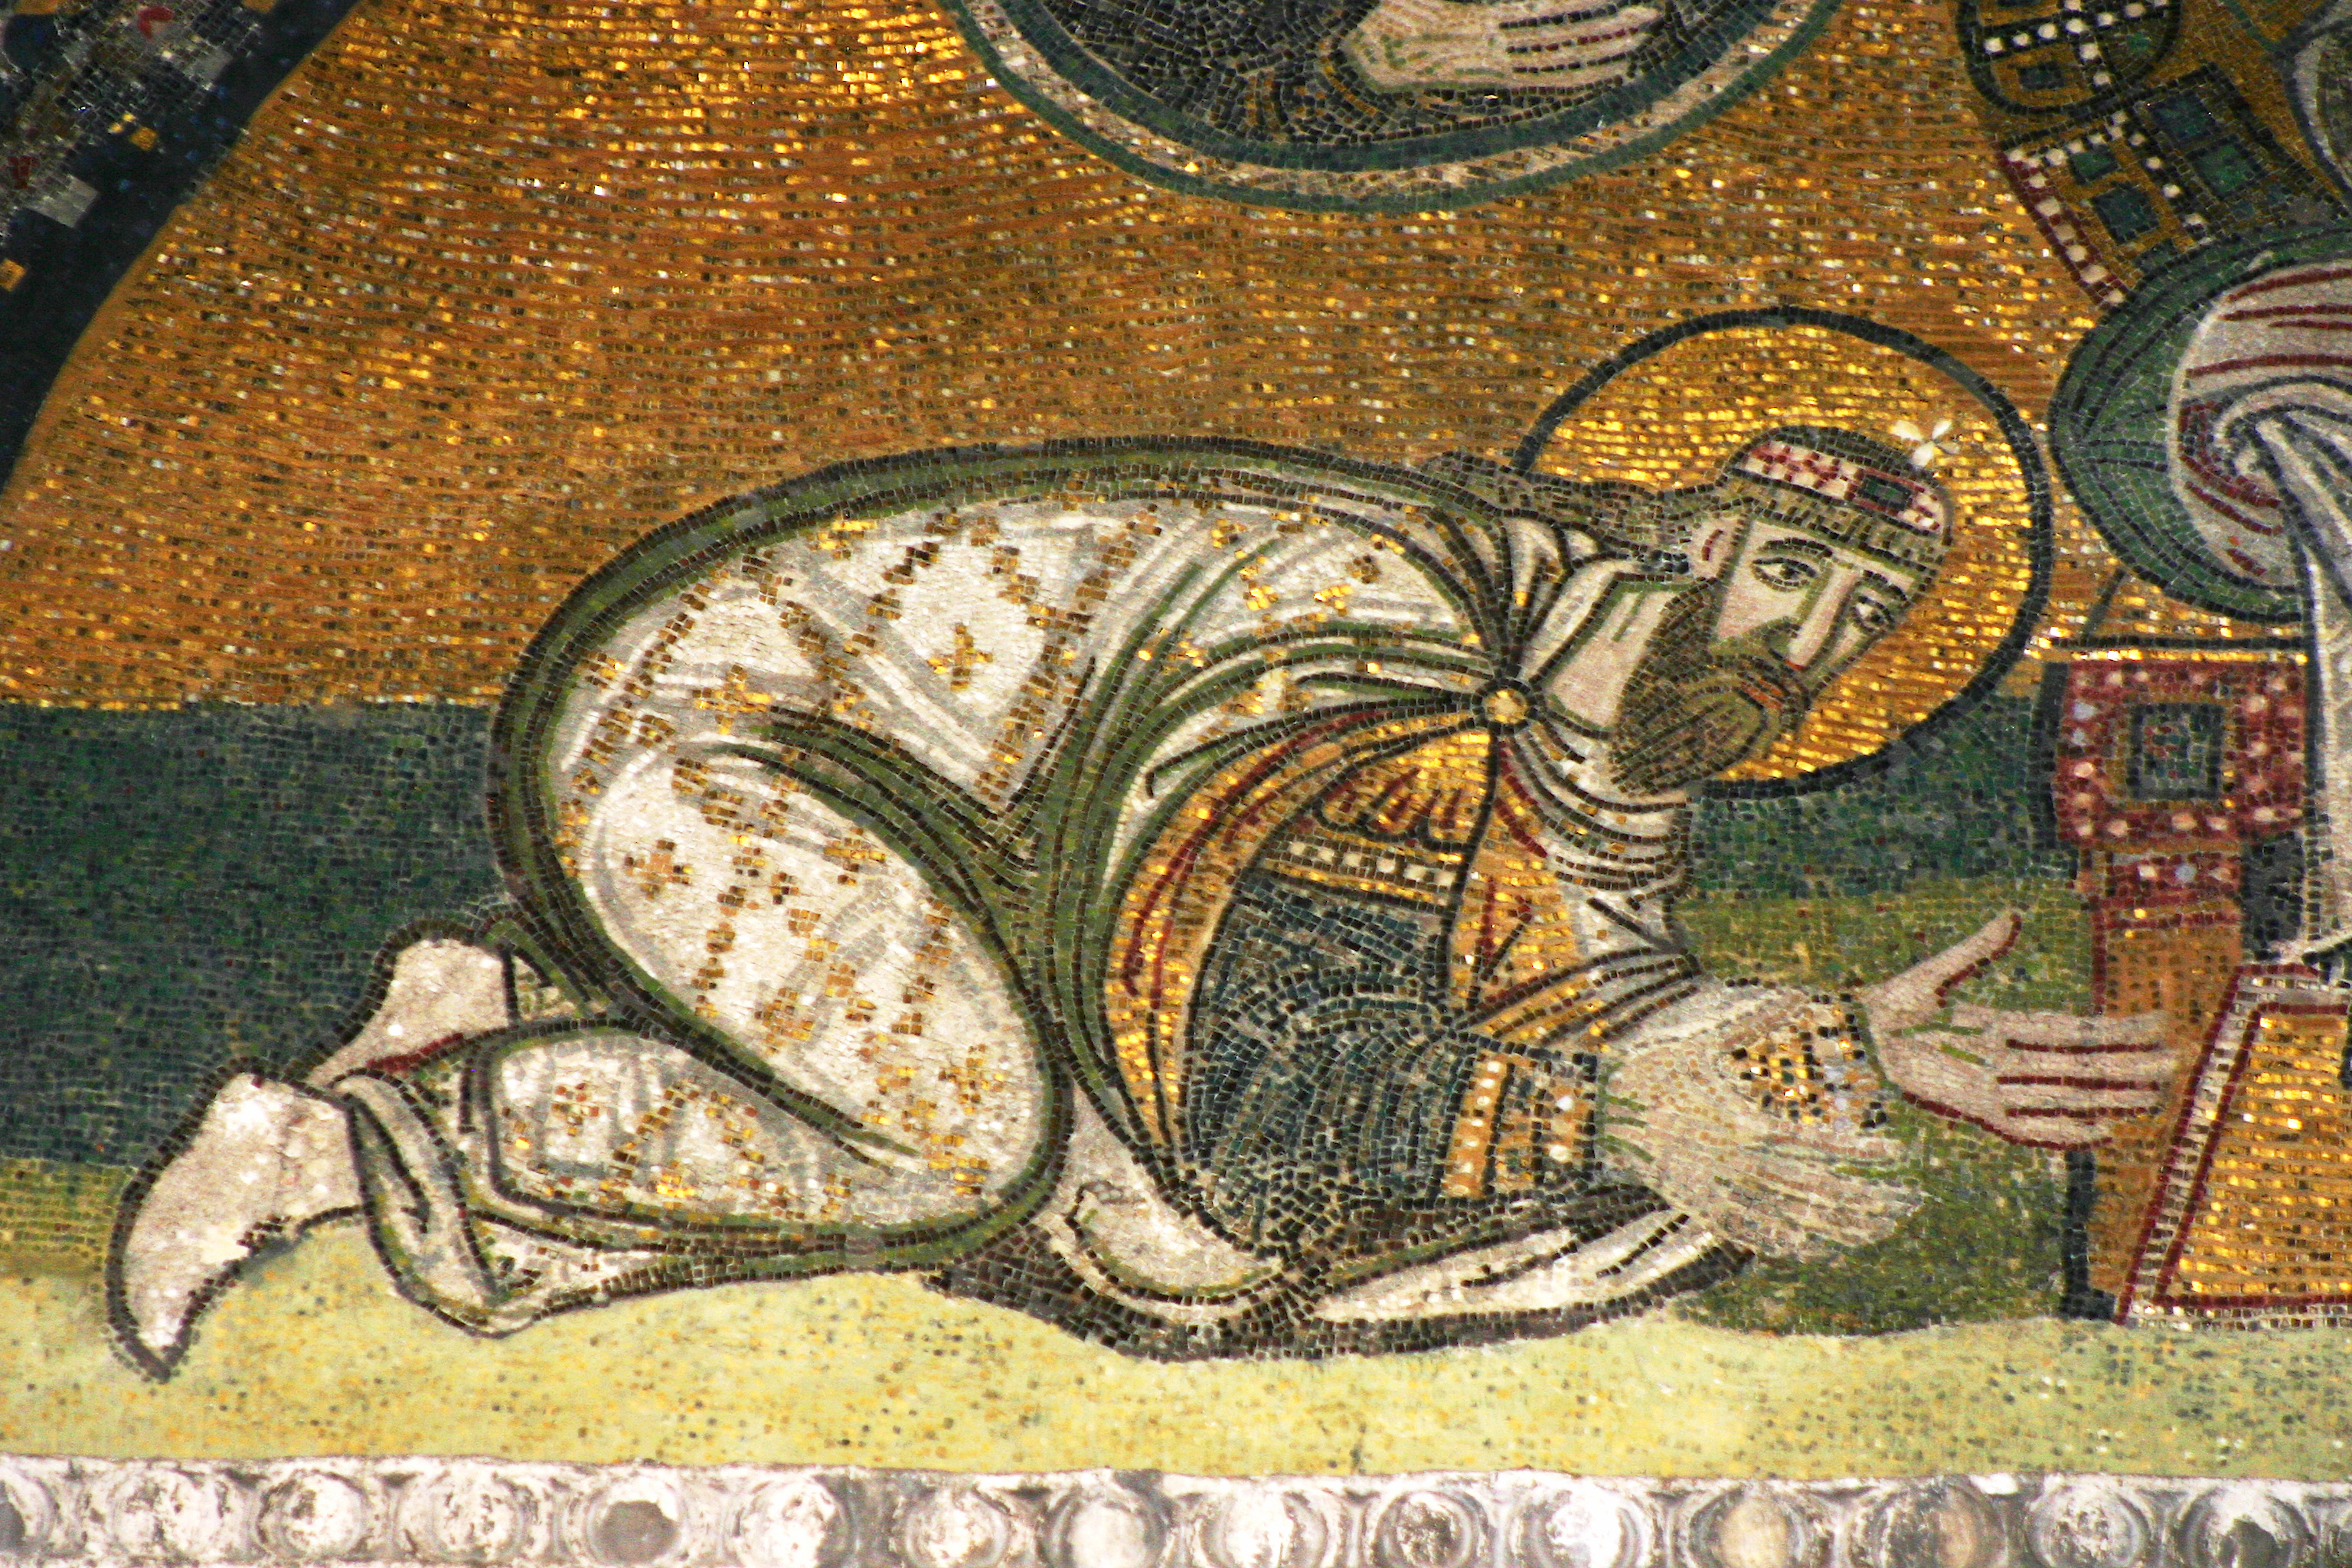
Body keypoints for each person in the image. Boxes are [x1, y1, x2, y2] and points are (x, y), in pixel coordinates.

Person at [112, 429, 2174, 1375]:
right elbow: (1265, 1106)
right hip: (714, 757)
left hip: (925, 836)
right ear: (1690, 538)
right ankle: (331, 1146)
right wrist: (1614, 1115)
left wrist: (1835, 1049)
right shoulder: (1393, 646)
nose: (1811, 647)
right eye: (1794, 576)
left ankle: (497, 1003)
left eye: (1864, 618)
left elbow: (1579, 976)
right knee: (980, 1162)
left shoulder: (1589, 698)